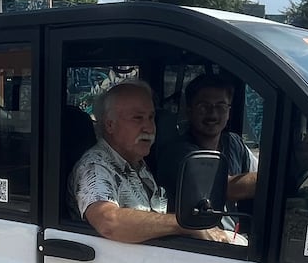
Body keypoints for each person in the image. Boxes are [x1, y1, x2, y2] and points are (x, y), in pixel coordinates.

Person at [69, 78, 231, 245]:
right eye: (138, 118)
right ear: (110, 124)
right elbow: (109, 222)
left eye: (151, 117)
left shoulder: (137, 163)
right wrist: (184, 224)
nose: (149, 127)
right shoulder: (95, 167)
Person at [157, 73, 257, 205]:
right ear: (189, 111)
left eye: (220, 107)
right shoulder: (179, 153)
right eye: (204, 106)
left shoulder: (233, 143)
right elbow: (224, 188)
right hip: (193, 226)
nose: (213, 114)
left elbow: (256, 170)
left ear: (229, 112)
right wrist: (275, 177)